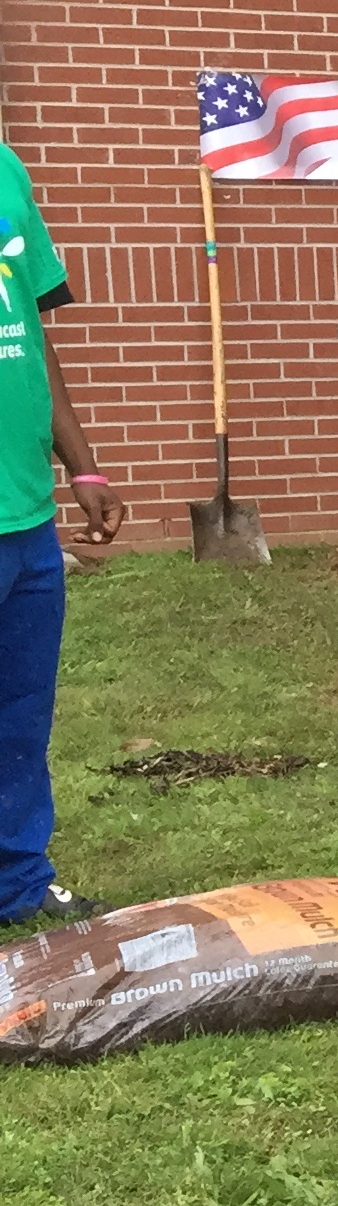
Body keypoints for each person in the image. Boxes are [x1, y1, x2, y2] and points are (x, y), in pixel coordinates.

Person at [1, 141, 123, 928]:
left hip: (25, 512)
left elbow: (31, 332)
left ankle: (18, 880)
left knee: (21, 711)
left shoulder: (6, 167)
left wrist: (79, 465)